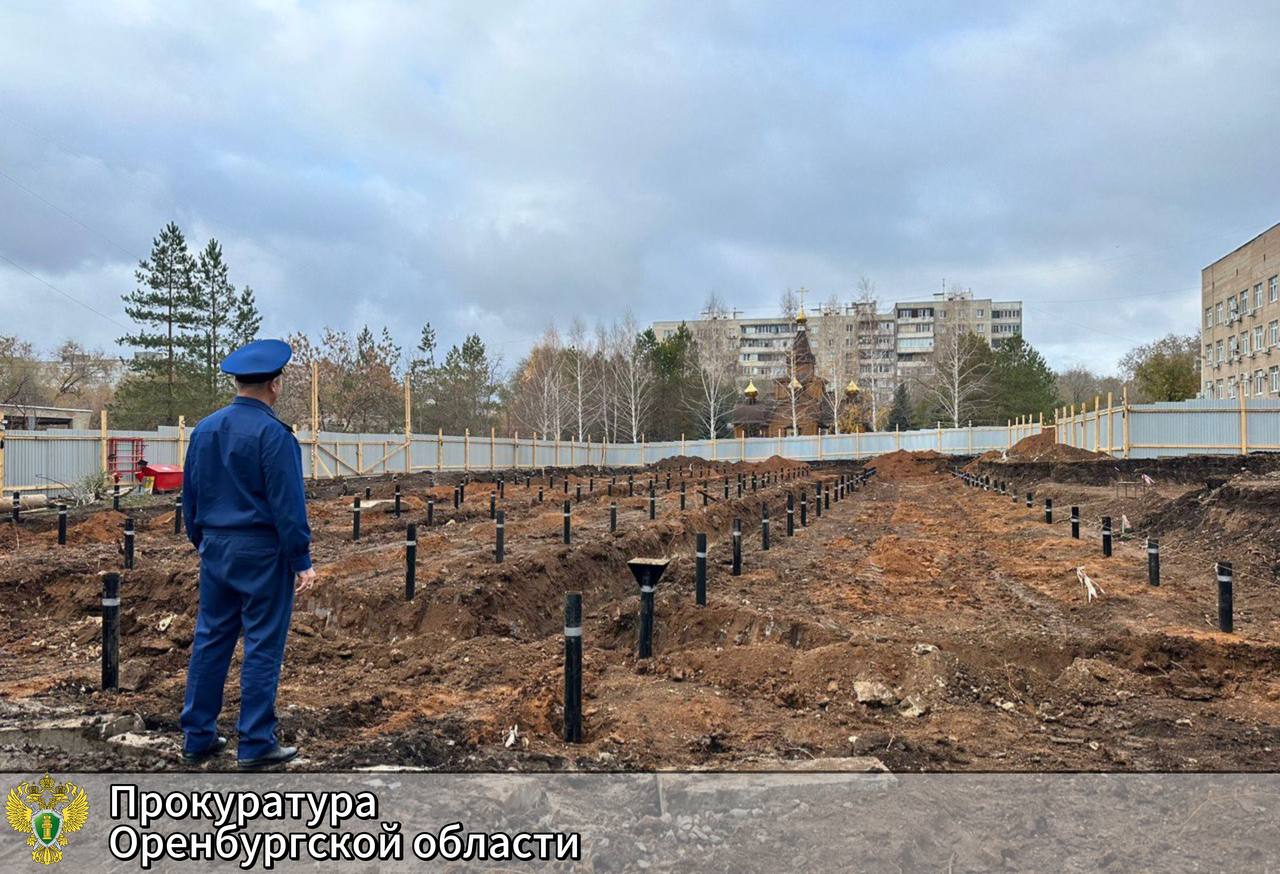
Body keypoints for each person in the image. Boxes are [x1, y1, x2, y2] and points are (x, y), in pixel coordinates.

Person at [178, 338, 316, 770]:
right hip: (262, 554)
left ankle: (198, 734)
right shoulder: (275, 437)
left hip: (216, 549)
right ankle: (255, 741)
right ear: (274, 385)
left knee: (211, 638)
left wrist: (203, 540)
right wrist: (302, 560)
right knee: (261, 644)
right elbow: (288, 507)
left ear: (237, 381)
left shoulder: (204, 431)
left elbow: (190, 498)